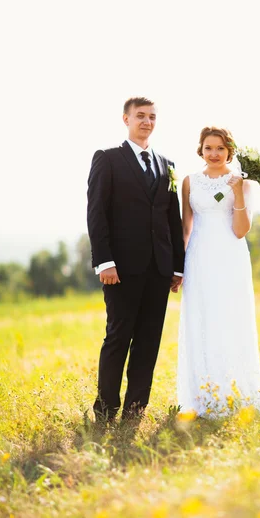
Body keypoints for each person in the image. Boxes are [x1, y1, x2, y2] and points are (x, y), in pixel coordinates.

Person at [87, 96, 184, 423]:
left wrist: (177, 266)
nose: (147, 121)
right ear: (126, 119)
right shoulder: (108, 159)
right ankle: (105, 411)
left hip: (159, 270)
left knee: (148, 342)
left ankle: (135, 410)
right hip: (121, 270)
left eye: (152, 116)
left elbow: (173, 219)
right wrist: (104, 261)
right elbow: (96, 213)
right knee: (118, 337)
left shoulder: (166, 165)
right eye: (140, 116)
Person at [177, 126, 260, 419]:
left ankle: (234, 389)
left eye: (220, 149)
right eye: (208, 148)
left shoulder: (243, 183)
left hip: (230, 258)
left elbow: (240, 231)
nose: (214, 154)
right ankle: (202, 394)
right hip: (198, 258)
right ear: (201, 149)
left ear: (229, 151)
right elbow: (186, 227)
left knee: (230, 318)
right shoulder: (189, 182)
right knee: (201, 319)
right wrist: (179, 267)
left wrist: (237, 192)